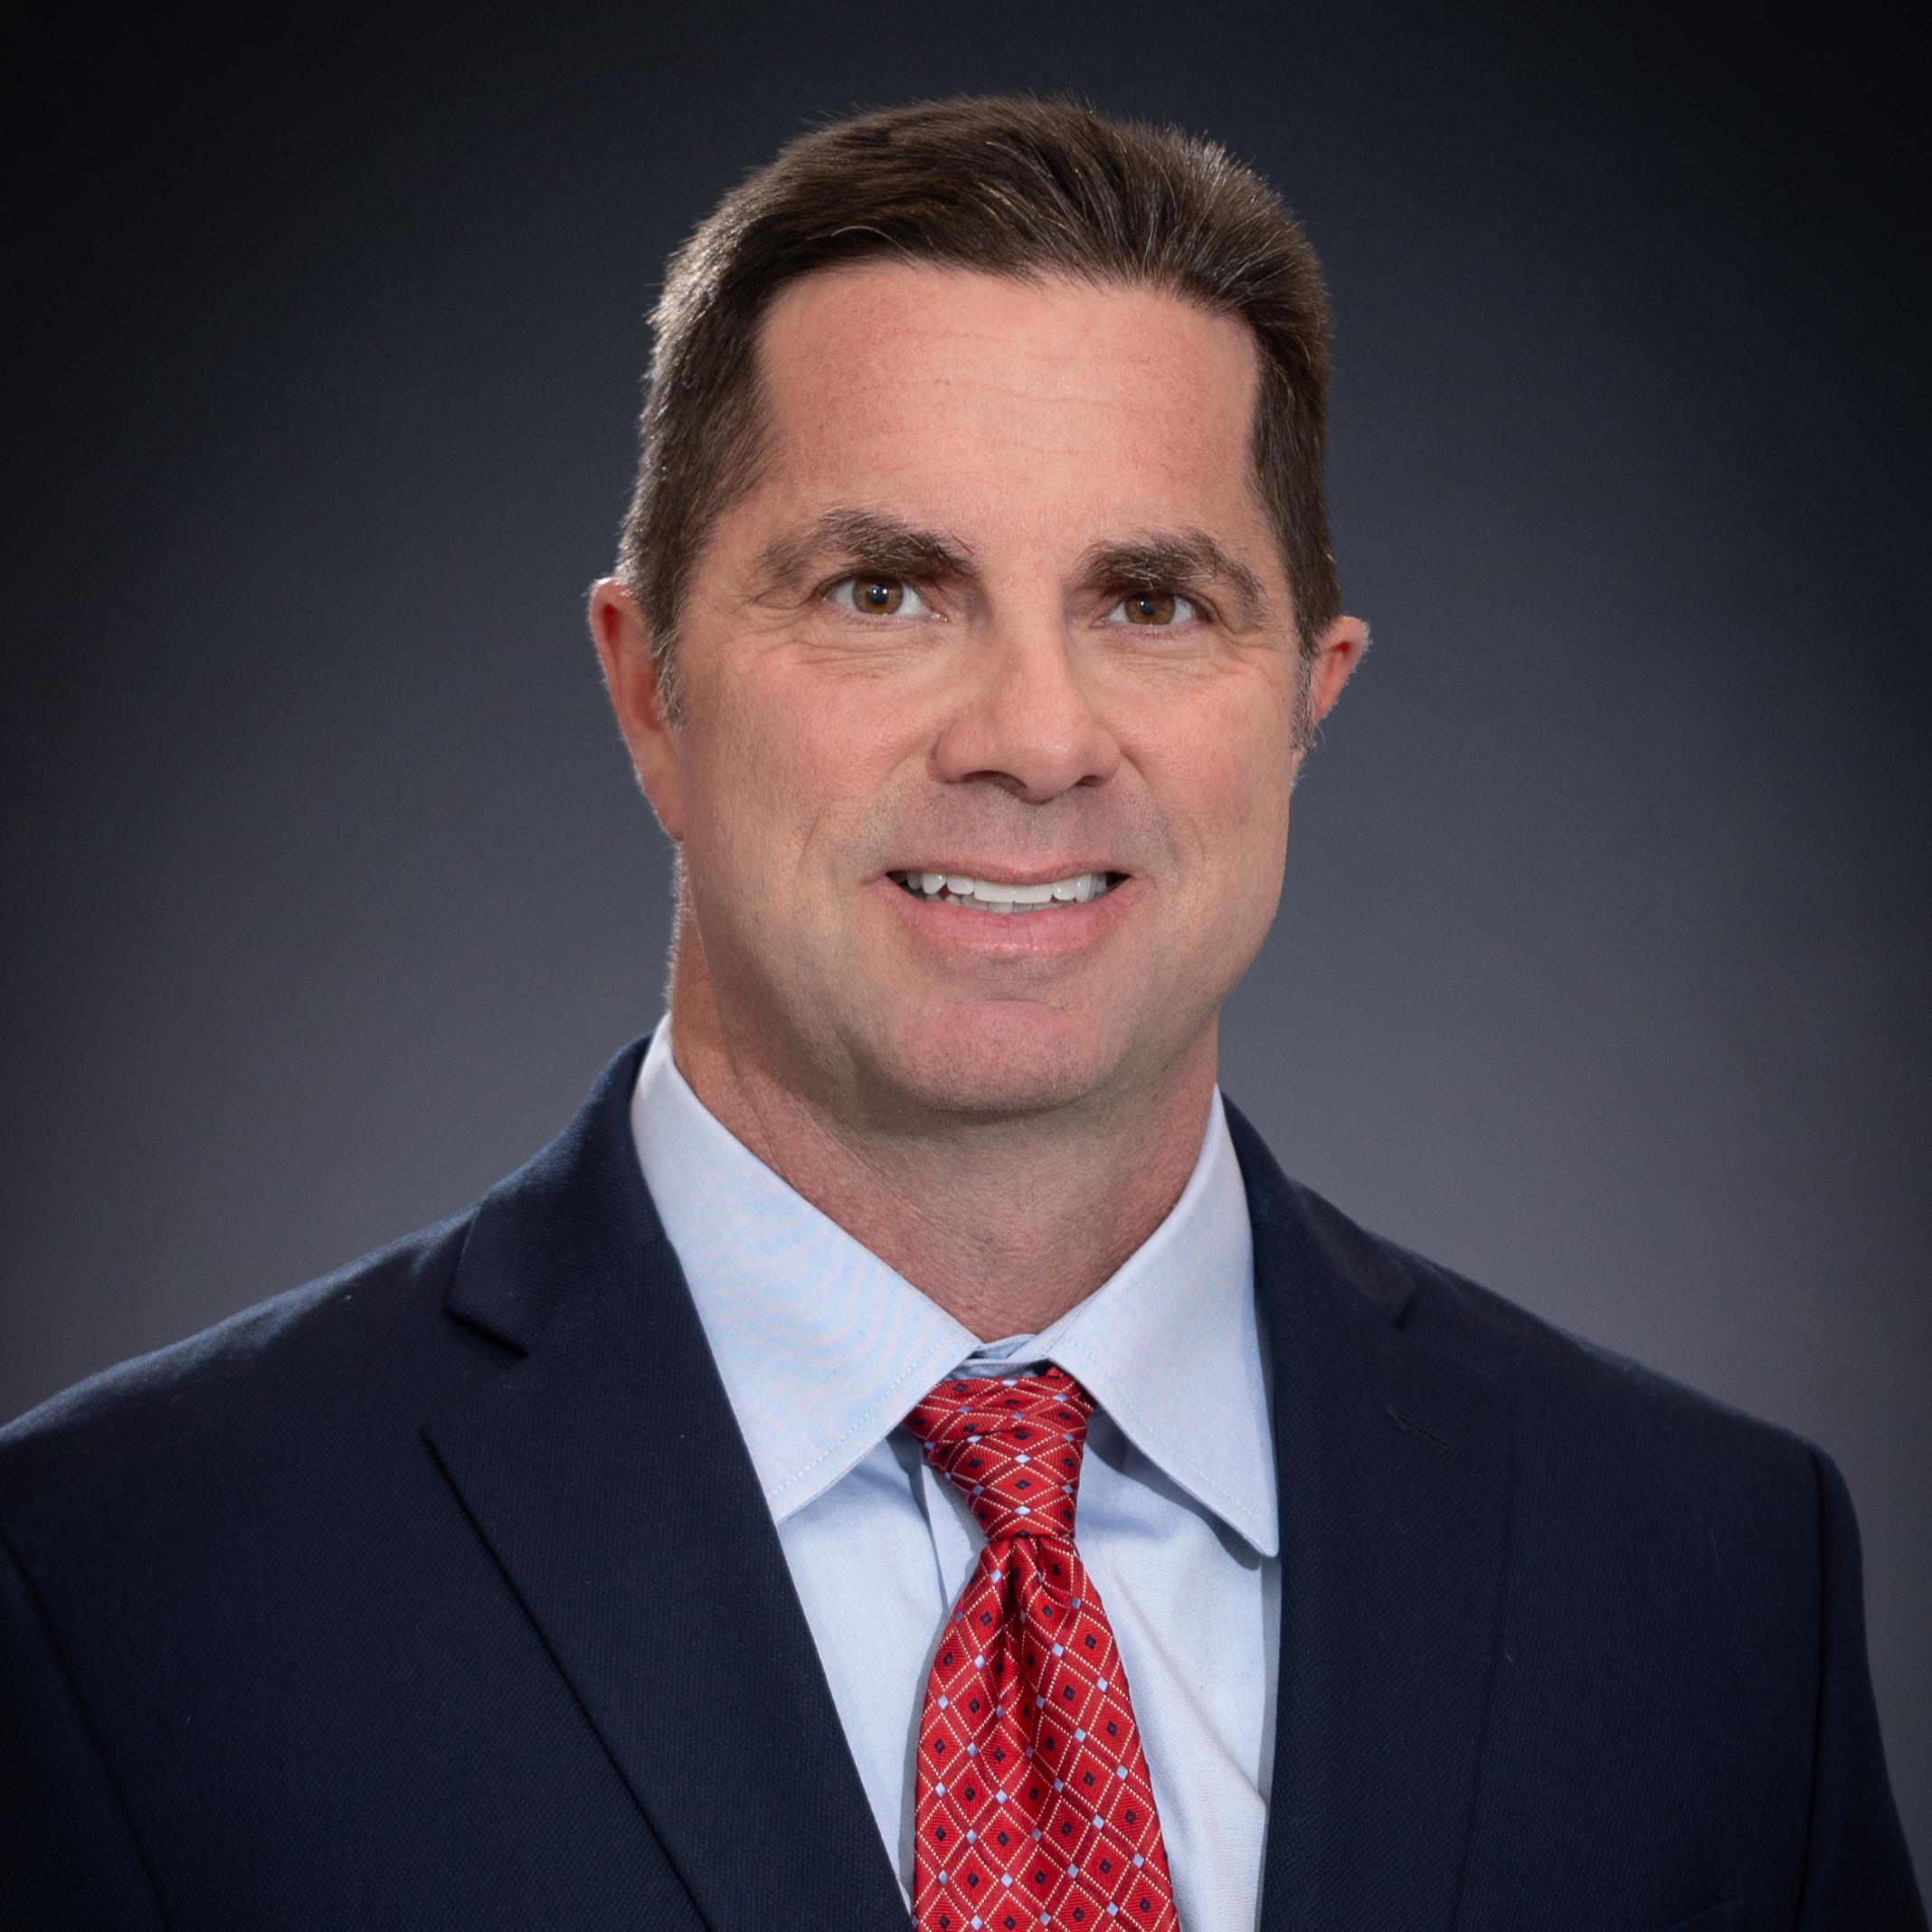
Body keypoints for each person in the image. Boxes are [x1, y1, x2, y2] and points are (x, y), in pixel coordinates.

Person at [0, 95, 1920, 1932]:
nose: (1030, 739)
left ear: (1306, 698)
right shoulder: (120, 1589)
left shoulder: (1712, 1575)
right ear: (649, 690)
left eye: (1152, 602)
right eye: (885, 589)